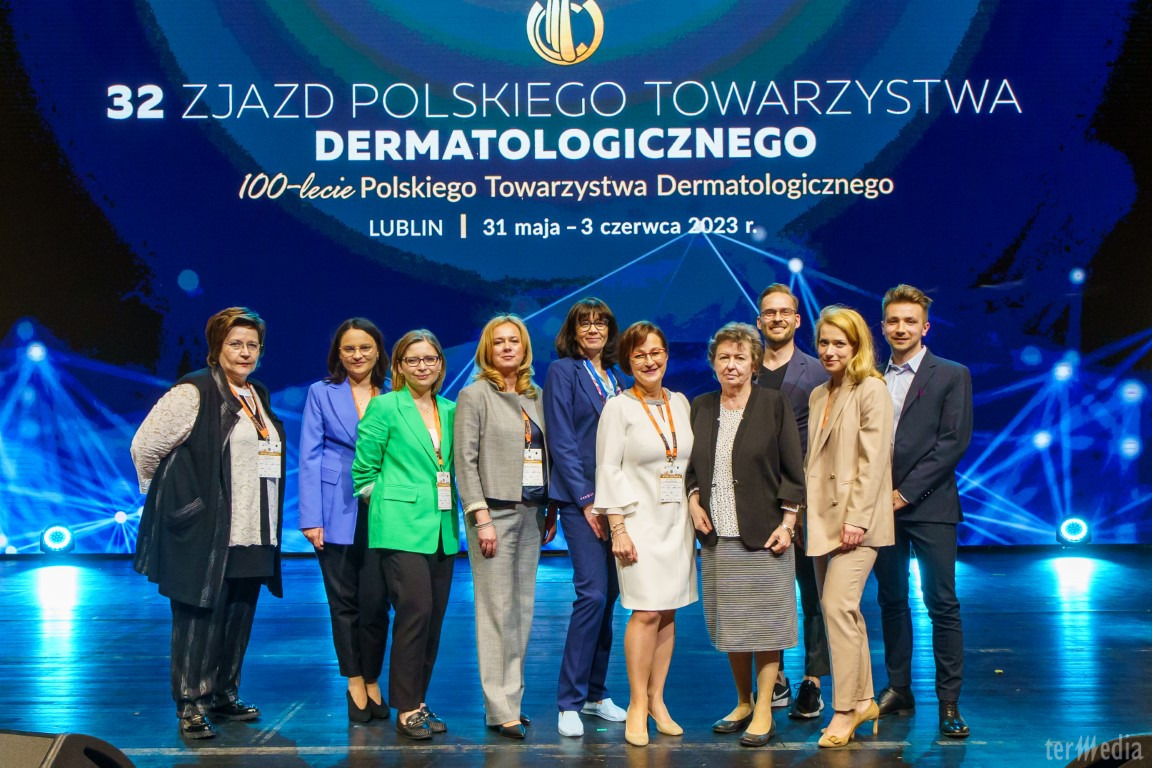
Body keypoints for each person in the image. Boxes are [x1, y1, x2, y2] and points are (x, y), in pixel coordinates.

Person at [131, 307, 286, 740]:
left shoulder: (256, 394)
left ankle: (222, 694)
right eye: (235, 344)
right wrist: (175, 503)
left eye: (252, 345)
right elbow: (145, 447)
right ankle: (191, 704)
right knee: (198, 615)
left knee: (238, 614)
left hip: (254, 526)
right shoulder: (194, 391)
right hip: (207, 528)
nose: (245, 352)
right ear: (217, 348)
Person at [686, 322, 806, 747]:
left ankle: (764, 711)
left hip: (766, 536)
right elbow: (690, 468)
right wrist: (693, 499)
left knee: (766, 627)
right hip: (719, 539)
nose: (731, 365)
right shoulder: (701, 407)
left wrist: (788, 524)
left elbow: (793, 471)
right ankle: (742, 702)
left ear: (755, 364)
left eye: (740, 357)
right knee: (734, 627)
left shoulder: (774, 404)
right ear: (713, 363)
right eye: (724, 357)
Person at [872, 285, 973, 738]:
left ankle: (949, 703)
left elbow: (952, 443)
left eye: (910, 321)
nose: (901, 328)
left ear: (925, 327)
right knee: (891, 601)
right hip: (880, 507)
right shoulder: (871, 377)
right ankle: (898, 689)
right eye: (894, 320)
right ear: (883, 326)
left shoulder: (951, 374)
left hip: (931, 506)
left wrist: (905, 493)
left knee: (941, 603)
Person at [454, 314, 558, 739]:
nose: (508, 347)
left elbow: (548, 456)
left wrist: (551, 508)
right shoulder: (474, 395)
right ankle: (498, 707)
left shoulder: (536, 396)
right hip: (492, 515)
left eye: (514, 341)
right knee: (496, 612)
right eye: (499, 342)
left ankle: (511, 701)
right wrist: (479, 517)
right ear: (487, 350)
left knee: (521, 610)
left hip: (532, 513)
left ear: (525, 348)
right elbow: (465, 462)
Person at [595, 321, 697, 747]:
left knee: (668, 611)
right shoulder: (618, 407)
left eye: (656, 352)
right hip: (638, 523)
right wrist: (617, 527)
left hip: (676, 521)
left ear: (666, 355)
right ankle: (637, 702)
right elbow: (607, 468)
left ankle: (658, 700)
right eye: (639, 355)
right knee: (645, 613)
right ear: (627, 361)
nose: (649, 361)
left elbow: (687, 464)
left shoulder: (681, 402)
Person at [352, 330, 458, 741]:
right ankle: (406, 707)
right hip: (399, 527)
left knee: (432, 619)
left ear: (440, 364)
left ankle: (419, 699)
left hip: (441, 527)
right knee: (415, 612)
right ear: (399, 366)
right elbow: (363, 472)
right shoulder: (385, 406)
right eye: (413, 360)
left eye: (430, 359)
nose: (422, 366)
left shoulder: (450, 409)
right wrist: (389, 505)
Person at [805, 306, 894, 749]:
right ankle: (863, 701)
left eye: (839, 343)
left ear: (857, 346)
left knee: (837, 606)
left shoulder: (872, 389)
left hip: (857, 521)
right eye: (824, 342)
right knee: (842, 612)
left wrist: (856, 518)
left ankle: (843, 710)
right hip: (823, 520)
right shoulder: (819, 394)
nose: (829, 351)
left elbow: (873, 462)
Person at [298, 318, 391, 723]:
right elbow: (309, 455)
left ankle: (373, 678)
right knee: (343, 603)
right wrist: (310, 517)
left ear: (377, 351)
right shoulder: (321, 392)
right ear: (338, 353)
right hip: (334, 508)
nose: (357, 355)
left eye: (365, 348)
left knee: (377, 603)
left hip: (385, 509)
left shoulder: (393, 393)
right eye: (349, 348)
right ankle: (355, 681)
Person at [543, 298, 629, 737]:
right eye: (585, 323)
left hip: (616, 502)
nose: (593, 329)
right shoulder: (564, 372)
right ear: (573, 331)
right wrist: (586, 500)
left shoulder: (615, 378)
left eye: (601, 323)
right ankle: (569, 701)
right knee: (591, 595)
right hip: (583, 501)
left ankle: (596, 693)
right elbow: (561, 439)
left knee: (609, 596)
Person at [754, 284, 831, 719]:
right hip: (759, 501)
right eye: (770, 312)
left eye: (785, 312)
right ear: (760, 320)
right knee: (769, 595)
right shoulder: (746, 368)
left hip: (808, 501)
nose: (778, 318)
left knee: (814, 594)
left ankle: (813, 682)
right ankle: (776, 678)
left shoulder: (818, 371)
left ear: (798, 320)